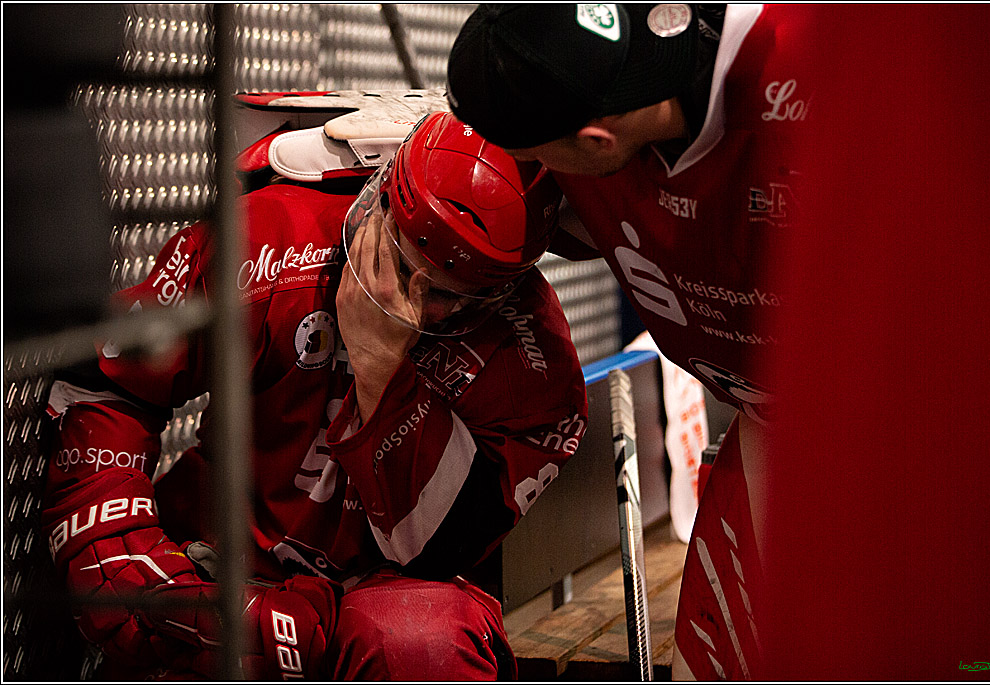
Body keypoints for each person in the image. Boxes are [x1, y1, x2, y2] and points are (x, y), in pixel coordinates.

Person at [446, 4, 990, 681]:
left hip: (946, 442)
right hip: (777, 435)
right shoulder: (600, 101)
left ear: (597, 143)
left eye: (536, 156)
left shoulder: (824, 60)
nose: (528, 173)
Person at [41, 110, 588, 680]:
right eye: (399, 260)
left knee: (418, 642)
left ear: (504, 289)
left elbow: (444, 547)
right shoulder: (267, 240)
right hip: (220, 555)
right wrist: (121, 557)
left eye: (449, 296)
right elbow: (110, 381)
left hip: (392, 591)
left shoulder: (533, 364)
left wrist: (381, 369)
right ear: (379, 195)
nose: (406, 302)